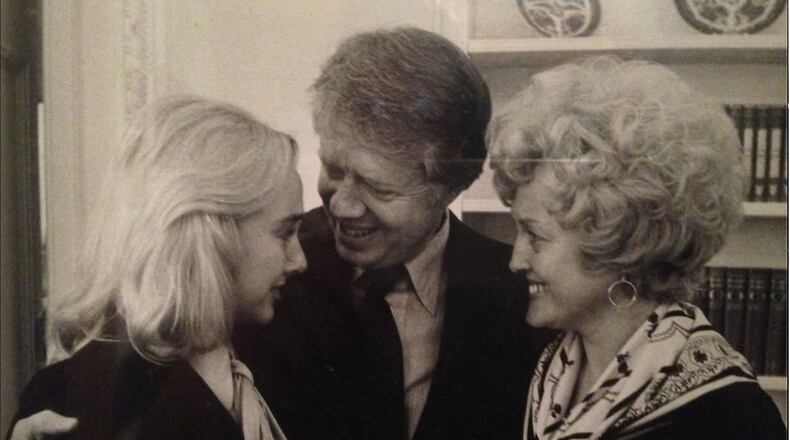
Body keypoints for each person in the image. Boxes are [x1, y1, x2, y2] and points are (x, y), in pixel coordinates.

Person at [231, 27, 550, 440]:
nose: (341, 206)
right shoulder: (261, 273)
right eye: (333, 170)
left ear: (451, 187)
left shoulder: (519, 296)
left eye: (377, 187)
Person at [487, 56, 786, 439]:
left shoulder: (729, 416)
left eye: (536, 236)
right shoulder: (550, 369)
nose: (515, 260)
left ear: (620, 241)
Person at [8, 96, 307, 440]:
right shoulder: (75, 399)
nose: (300, 261)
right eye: (285, 233)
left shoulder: (269, 356)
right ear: (209, 237)